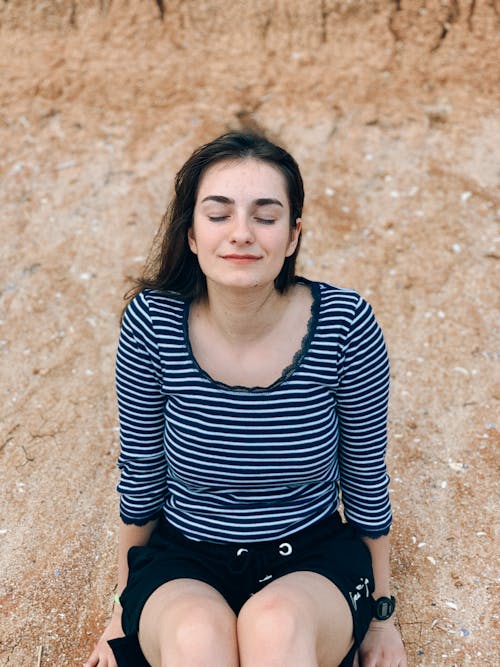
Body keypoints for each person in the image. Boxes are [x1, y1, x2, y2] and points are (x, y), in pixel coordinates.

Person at [85, 131, 407, 667]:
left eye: (265, 215)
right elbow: (141, 472)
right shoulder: (152, 324)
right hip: (184, 557)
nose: (241, 234)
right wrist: (122, 610)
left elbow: (365, 474)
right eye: (218, 214)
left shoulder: (345, 325)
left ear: (293, 234)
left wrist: (382, 615)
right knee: (197, 637)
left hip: (310, 556)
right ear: (191, 234)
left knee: (275, 629)